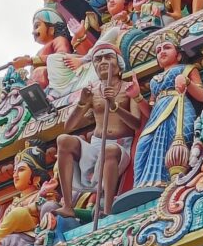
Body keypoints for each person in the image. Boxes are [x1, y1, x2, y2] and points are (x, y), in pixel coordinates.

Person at [56, 43, 144, 217]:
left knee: (110, 149)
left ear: (119, 66)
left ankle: (107, 209)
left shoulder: (128, 88)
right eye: (98, 59)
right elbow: (69, 126)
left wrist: (114, 106)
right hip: (96, 147)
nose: (103, 61)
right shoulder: (92, 91)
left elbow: (136, 124)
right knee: (63, 140)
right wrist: (82, 102)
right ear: (94, 67)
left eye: (108, 57)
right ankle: (67, 205)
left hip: (119, 148)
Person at [134, 33, 203, 188]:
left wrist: (186, 82)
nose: (162, 52)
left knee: (179, 140)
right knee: (143, 144)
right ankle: (145, 184)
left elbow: (201, 96)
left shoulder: (187, 69)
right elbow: (150, 111)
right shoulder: (155, 81)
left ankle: (173, 180)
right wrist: (137, 97)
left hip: (178, 107)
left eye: (167, 47)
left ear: (178, 55)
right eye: (158, 50)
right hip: (157, 115)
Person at [10, 9, 73, 90]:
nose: (33, 32)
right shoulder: (39, 51)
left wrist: (29, 61)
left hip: (56, 77)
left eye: (37, 26)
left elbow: (62, 57)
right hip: (36, 81)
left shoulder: (59, 40)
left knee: (39, 72)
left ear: (51, 29)